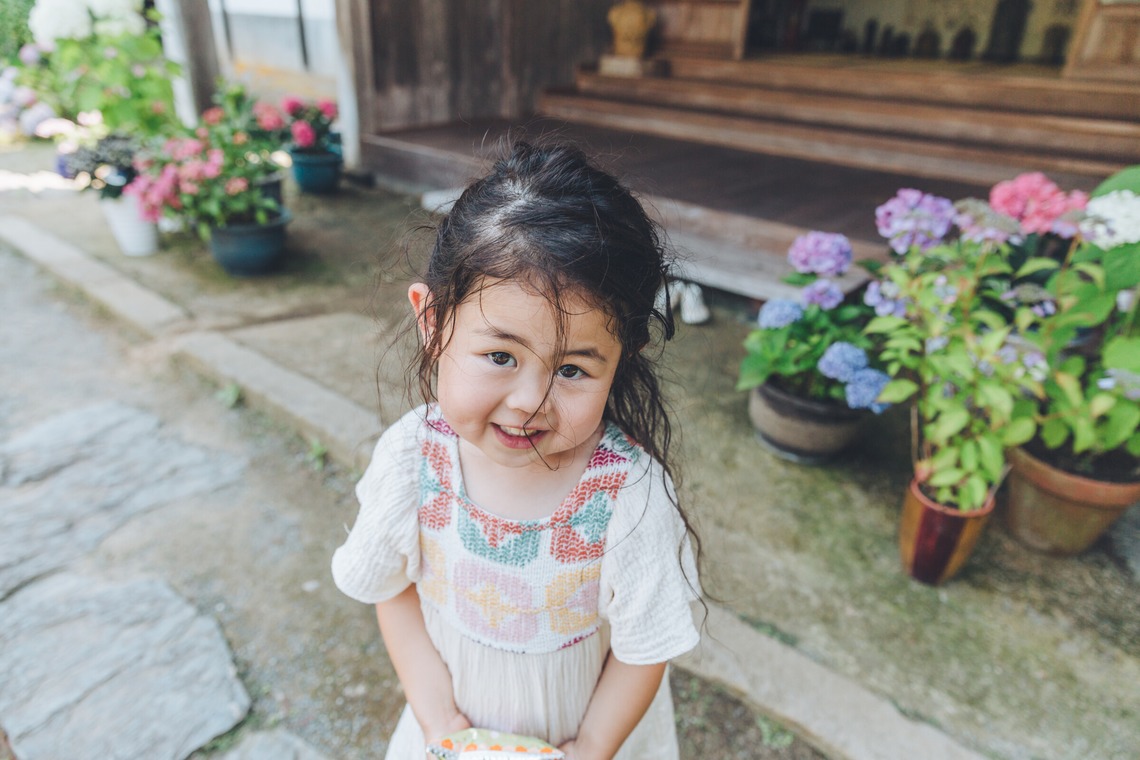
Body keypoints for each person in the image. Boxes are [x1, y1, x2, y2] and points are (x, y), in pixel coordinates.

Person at [331, 141, 703, 760]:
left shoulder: (626, 498)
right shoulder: (413, 460)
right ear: (433, 323)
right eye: (500, 356)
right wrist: (439, 721)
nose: (530, 401)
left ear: (622, 358)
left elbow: (645, 649)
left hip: (587, 736)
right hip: (448, 729)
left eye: (574, 369)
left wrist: (591, 747)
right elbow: (389, 587)